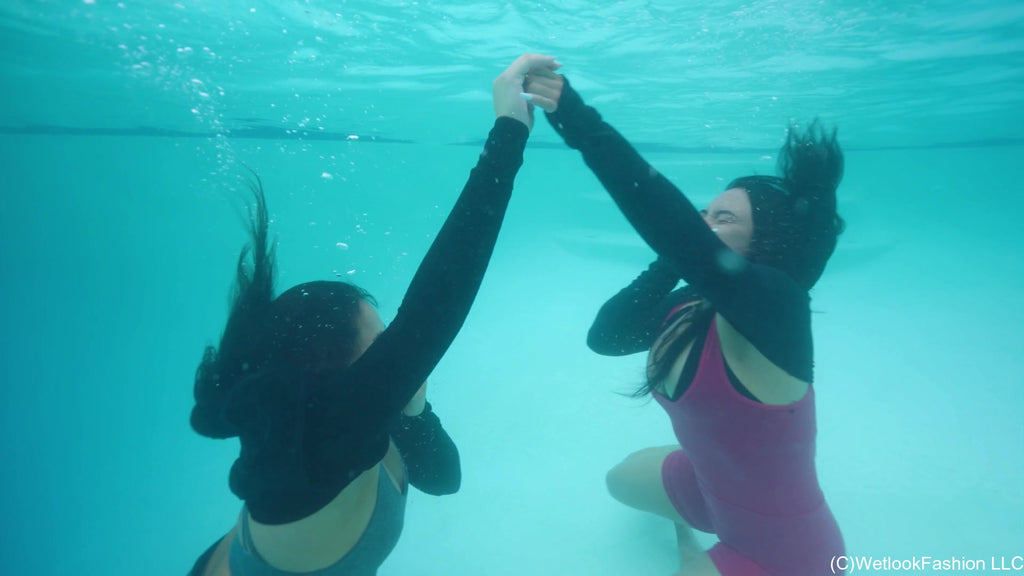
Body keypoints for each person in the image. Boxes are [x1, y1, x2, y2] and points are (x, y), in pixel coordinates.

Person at [187, 53, 562, 576]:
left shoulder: (343, 418)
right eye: (382, 339)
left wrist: (415, 412)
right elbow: (439, 299)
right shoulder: (326, 426)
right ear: (333, 363)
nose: (396, 348)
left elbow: (443, 479)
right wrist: (509, 131)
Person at [525, 68, 846, 575]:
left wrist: (575, 119)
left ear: (767, 243)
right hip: (707, 486)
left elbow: (672, 226)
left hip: (785, 551)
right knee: (618, 481)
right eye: (704, 213)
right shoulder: (693, 303)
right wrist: (671, 261)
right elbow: (607, 337)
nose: (702, 223)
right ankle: (705, 517)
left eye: (724, 218)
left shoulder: (778, 311)